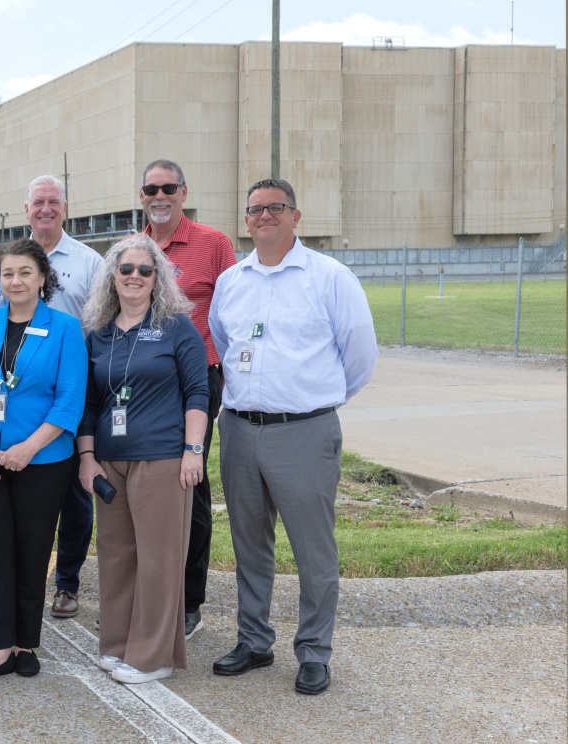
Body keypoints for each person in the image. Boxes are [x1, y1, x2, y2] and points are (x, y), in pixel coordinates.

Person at [208, 178, 378, 695]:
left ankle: (313, 651)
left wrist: (311, 402)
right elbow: (222, 341)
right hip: (240, 429)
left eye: (276, 208)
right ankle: (254, 641)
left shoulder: (329, 277)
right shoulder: (232, 281)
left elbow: (360, 358)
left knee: (313, 551)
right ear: (246, 219)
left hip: (304, 432)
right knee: (249, 546)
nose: (265, 216)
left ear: (296, 216)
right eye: (255, 209)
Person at [0, 238, 87, 684]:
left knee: (32, 549)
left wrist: (30, 448)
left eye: (25, 272)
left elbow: (69, 401)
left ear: (43, 277)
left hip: (42, 460)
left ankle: (27, 643)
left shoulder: (65, 328)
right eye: (7, 273)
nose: (16, 281)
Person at [75, 234, 209, 685]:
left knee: (159, 559)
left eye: (144, 270)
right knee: (116, 556)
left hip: (162, 458)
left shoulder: (176, 327)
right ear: (113, 276)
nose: (134, 277)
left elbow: (198, 392)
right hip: (110, 461)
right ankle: (117, 645)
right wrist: (87, 458)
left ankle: (154, 657)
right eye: (126, 269)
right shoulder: (98, 332)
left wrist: (194, 451)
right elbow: (89, 404)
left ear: (158, 278)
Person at [139, 158, 238, 640]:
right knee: (142, 485)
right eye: (151, 189)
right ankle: (147, 596)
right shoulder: (132, 249)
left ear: (183, 192)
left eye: (168, 188)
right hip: (140, 384)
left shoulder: (212, 244)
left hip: (195, 382)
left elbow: (237, 309)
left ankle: (187, 599)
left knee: (188, 482)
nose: (160, 196)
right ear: (141, 196)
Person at [14, 175, 104, 619]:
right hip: (18, 397)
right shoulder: (12, 260)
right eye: (37, 202)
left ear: (65, 208)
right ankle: (19, 578)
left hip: (71, 394)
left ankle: (67, 583)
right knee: (24, 493)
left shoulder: (89, 262)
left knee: (73, 494)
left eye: (53, 201)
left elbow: (102, 328)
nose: (45, 208)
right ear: (26, 210)